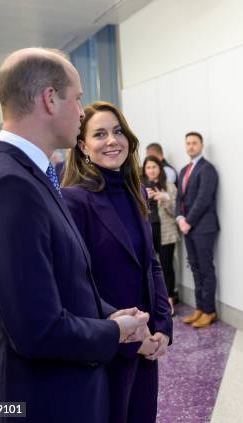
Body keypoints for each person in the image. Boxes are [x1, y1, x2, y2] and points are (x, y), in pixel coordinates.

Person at [0, 47, 150, 423]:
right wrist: (114, 332)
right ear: (50, 99)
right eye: (77, 98)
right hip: (38, 402)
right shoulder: (9, 187)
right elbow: (38, 330)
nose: (82, 112)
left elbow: (65, 284)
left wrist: (113, 313)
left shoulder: (29, 177)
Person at [62, 101, 173, 423]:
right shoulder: (74, 199)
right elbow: (77, 283)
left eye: (117, 131)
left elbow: (151, 264)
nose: (112, 140)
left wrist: (162, 329)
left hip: (147, 344)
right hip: (107, 346)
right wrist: (130, 337)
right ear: (83, 146)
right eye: (99, 134)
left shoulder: (135, 191)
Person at [176, 131, 220, 328]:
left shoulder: (207, 169)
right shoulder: (184, 170)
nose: (190, 146)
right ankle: (200, 309)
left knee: (205, 269)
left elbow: (203, 199)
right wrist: (179, 218)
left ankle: (209, 311)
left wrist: (188, 222)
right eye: (188, 143)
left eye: (194, 143)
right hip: (188, 227)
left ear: (201, 146)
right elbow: (179, 198)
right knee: (194, 268)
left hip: (204, 227)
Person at [142, 155, 180, 315]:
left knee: (166, 267)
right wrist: (144, 198)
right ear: (144, 170)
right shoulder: (139, 187)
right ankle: (153, 301)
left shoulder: (169, 186)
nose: (151, 170)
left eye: (154, 167)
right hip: (147, 232)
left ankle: (169, 301)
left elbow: (176, 212)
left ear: (160, 169)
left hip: (166, 232)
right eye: (148, 167)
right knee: (149, 268)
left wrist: (165, 199)